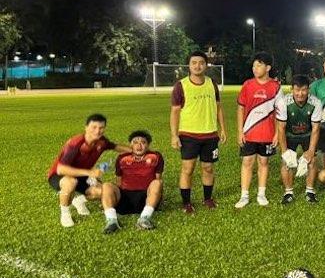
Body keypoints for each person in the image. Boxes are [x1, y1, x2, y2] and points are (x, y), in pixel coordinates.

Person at [47, 114, 130, 228]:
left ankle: (79, 200)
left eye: (101, 128)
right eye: (94, 127)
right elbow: (61, 169)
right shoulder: (75, 143)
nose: (97, 131)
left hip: (81, 175)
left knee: (102, 191)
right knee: (71, 182)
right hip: (59, 175)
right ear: (86, 127)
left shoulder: (102, 142)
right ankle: (65, 212)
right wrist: (89, 173)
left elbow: (116, 147)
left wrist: (137, 151)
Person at [169, 50, 227, 214]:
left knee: (208, 168)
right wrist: (174, 135)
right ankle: (186, 203)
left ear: (206, 65)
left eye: (201, 62)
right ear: (189, 65)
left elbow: (218, 107)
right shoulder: (181, 85)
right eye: (194, 62)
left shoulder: (212, 83)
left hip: (210, 134)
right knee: (188, 169)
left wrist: (222, 129)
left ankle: (207, 199)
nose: (197, 66)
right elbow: (174, 112)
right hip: (189, 135)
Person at [235, 52, 282, 208]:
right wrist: (240, 131)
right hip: (249, 132)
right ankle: (244, 195)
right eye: (254, 65)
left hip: (267, 134)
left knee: (263, 162)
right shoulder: (247, 85)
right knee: (247, 162)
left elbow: (280, 113)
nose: (255, 68)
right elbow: (240, 108)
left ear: (268, 67)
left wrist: (277, 133)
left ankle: (261, 194)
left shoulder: (276, 87)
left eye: (259, 65)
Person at [100, 130, 164, 234]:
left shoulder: (156, 156)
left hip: (146, 198)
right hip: (125, 199)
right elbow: (119, 182)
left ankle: (144, 218)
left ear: (148, 145)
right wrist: (109, 198)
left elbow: (158, 179)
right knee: (106, 185)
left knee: (157, 182)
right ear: (131, 145)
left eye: (143, 142)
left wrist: (158, 196)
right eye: (135, 142)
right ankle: (112, 221)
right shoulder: (122, 158)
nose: (139, 145)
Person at [276, 74, 323, 204]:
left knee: (312, 160)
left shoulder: (316, 103)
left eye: (303, 90)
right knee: (287, 162)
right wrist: (285, 151)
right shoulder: (283, 102)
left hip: (307, 134)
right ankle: (288, 192)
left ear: (308, 90)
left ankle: (310, 191)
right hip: (290, 134)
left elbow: (315, 129)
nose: (300, 93)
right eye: (297, 90)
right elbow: (281, 127)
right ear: (292, 89)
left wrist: (310, 151)